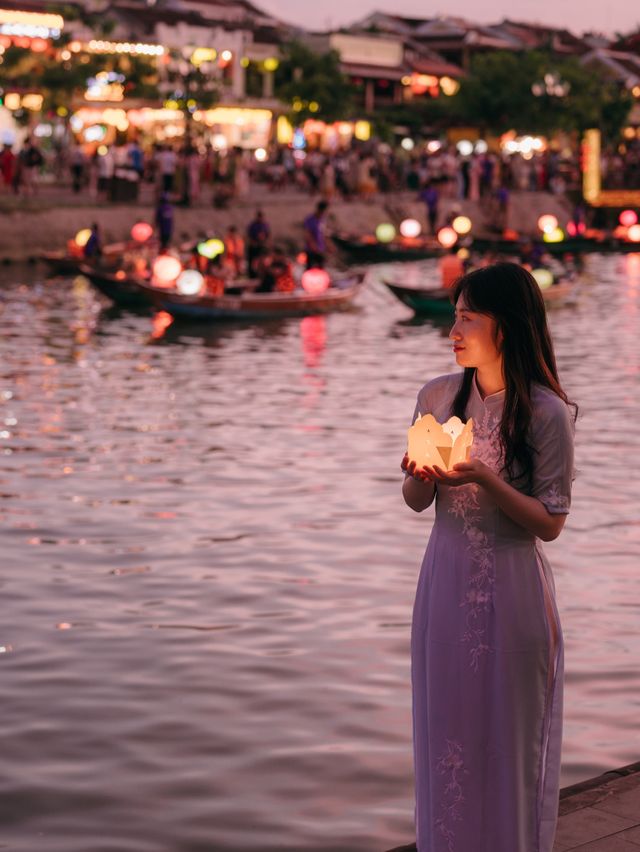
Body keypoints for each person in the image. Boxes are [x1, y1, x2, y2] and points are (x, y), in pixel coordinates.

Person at [401, 263, 576, 852]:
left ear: (506, 326)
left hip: (513, 588)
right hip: (444, 584)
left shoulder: (546, 413)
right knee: (446, 735)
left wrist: (484, 477)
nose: (454, 329)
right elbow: (416, 501)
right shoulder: (437, 395)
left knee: (507, 742)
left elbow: (549, 524)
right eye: (454, 315)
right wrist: (419, 476)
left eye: (467, 316)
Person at [303, 200, 329, 269]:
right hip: (310, 249)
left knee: (321, 268)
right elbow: (307, 234)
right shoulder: (310, 219)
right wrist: (313, 245)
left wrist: (328, 245)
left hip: (320, 249)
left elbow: (323, 234)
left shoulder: (323, 220)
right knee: (309, 268)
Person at [246, 209, 271, 274]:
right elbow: (249, 235)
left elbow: (268, 235)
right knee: (253, 260)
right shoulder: (253, 225)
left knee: (262, 260)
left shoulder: (265, 225)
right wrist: (253, 242)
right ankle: (252, 273)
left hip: (262, 245)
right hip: (254, 245)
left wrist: (266, 243)